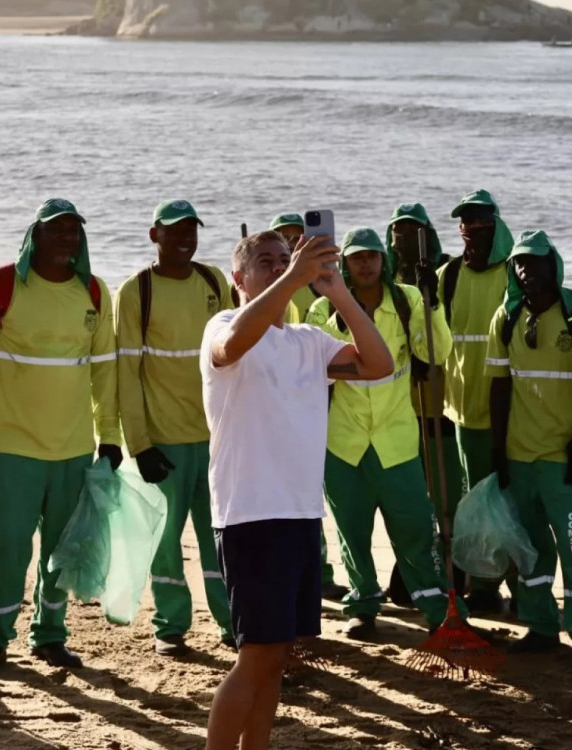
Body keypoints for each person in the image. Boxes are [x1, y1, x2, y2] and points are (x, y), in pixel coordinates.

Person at [201, 230, 391, 750]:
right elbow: (231, 345)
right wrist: (292, 278)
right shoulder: (223, 326)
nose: (282, 267)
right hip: (251, 515)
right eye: (266, 262)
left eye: (286, 260)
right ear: (239, 278)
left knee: (276, 654)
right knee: (256, 656)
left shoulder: (308, 341)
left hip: (301, 514)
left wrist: (337, 292)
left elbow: (379, 364)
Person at [0, 198, 121, 672]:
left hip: (74, 448)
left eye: (73, 230)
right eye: (57, 230)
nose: (67, 238)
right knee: (7, 546)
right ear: (36, 235)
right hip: (14, 445)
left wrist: (109, 436)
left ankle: (49, 635)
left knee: (62, 550)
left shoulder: (93, 291)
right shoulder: (2, 286)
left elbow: (105, 371)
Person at [306, 228, 453, 639]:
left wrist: (433, 302)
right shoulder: (322, 309)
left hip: (396, 437)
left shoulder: (407, 300)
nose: (366, 264)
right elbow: (317, 367)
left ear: (383, 259)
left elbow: (436, 353)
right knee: (352, 530)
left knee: (415, 527)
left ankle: (434, 605)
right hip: (343, 440)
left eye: (372, 256)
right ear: (344, 264)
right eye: (356, 258)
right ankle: (362, 604)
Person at [486, 230, 572, 673]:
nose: (525, 270)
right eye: (519, 263)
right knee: (530, 550)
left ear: (552, 266)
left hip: (564, 456)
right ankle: (540, 626)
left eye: (535, 263)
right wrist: (498, 450)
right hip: (521, 456)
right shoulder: (506, 316)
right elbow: (499, 387)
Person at [116, 200, 236, 657]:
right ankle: (170, 626)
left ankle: (232, 621)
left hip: (216, 437)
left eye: (192, 230)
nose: (185, 239)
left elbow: (235, 355)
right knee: (166, 542)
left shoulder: (213, 282)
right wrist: (139, 444)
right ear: (155, 236)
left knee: (221, 535)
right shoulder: (135, 292)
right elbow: (126, 373)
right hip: (163, 440)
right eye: (175, 231)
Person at [385, 202, 464, 604]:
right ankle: (412, 570)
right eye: (398, 230)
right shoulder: (385, 281)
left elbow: (449, 333)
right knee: (414, 499)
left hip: (441, 404)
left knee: (447, 495)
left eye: (412, 230)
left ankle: (453, 572)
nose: (403, 238)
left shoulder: (446, 273)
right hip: (400, 409)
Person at [442, 189, 516, 614]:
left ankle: (523, 588)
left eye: (480, 223)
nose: (472, 231)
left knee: (512, 502)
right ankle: (485, 587)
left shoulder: (514, 272)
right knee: (476, 504)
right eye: (466, 223)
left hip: (512, 413)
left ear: (495, 225)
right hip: (463, 413)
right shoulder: (449, 275)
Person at [269, 212, 350, 601]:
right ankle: (302, 577)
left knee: (308, 499)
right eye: (282, 238)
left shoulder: (317, 285)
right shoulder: (274, 285)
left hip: (318, 404)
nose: (290, 243)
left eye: (295, 237)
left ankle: (320, 571)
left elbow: (326, 351)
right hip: (277, 412)